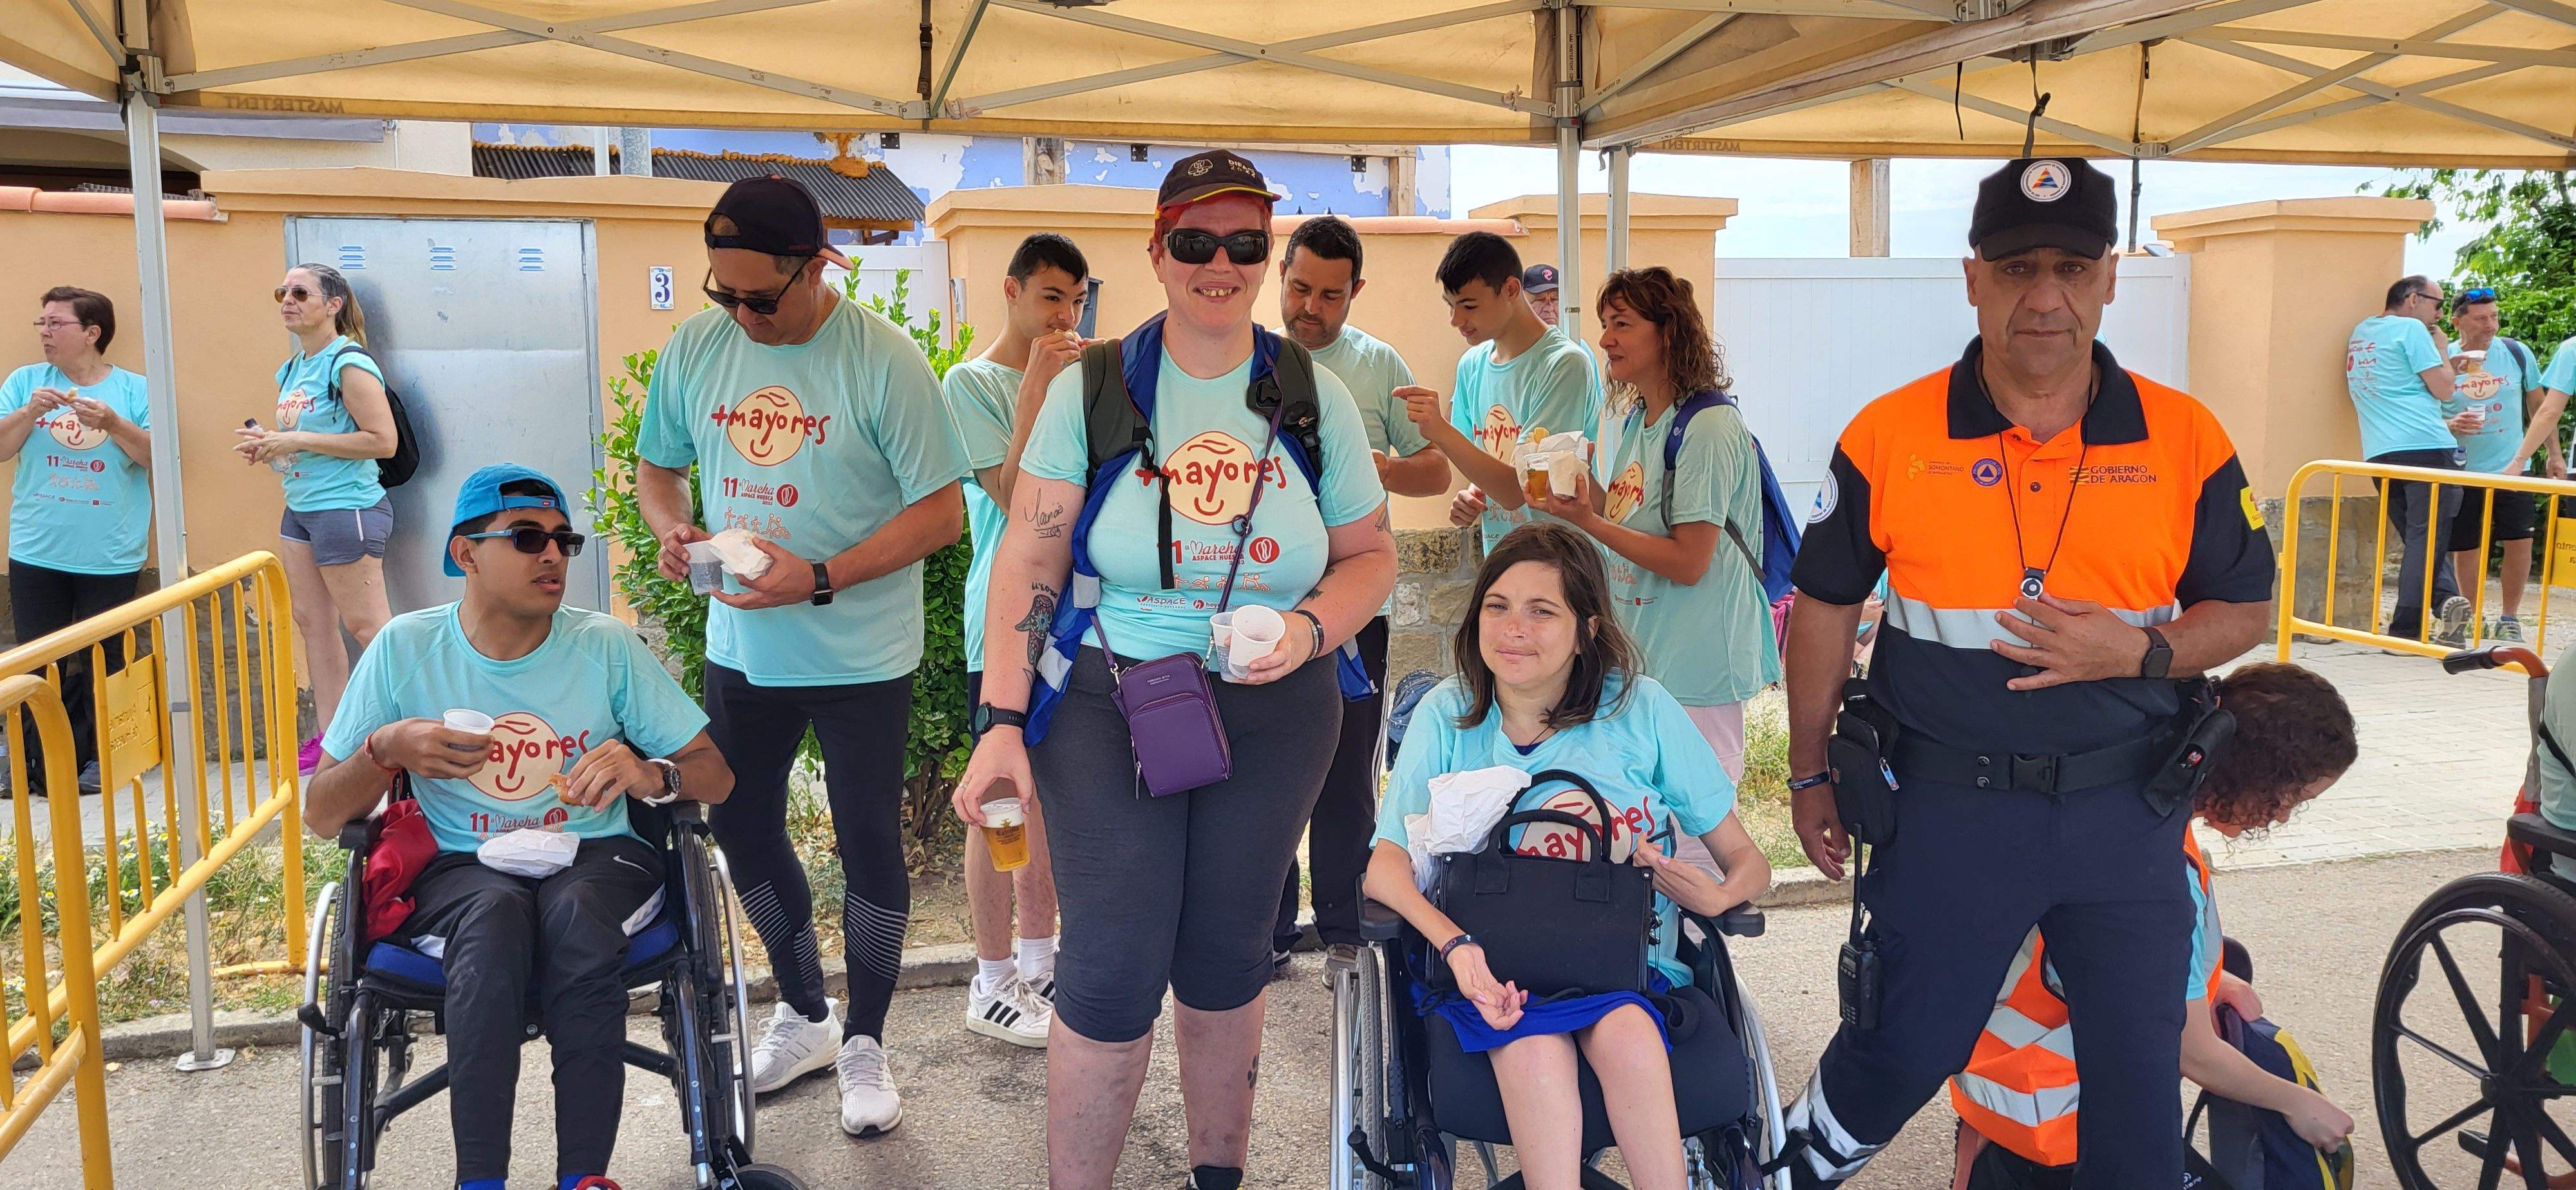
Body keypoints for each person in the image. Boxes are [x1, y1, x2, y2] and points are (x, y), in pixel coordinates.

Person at [1777, 156, 2276, 1187]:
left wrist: (2138, 650)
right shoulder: (1891, 433)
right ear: (1973, 279)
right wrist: (1810, 768)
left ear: (2109, 278)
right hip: (1949, 813)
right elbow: (1821, 606)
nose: (2044, 297)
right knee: (1900, 1049)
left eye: (2072, 267)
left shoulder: (2185, 437)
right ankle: (1775, 1172)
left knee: (2137, 1088)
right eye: (2015, 269)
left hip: (2125, 817)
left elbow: (2246, 608)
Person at [949, 149, 1396, 1190]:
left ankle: (1217, 1176)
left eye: (1244, 243)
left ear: (1266, 255)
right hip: (1111, 701)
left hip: (1277, 706)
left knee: (1230, 953)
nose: (1220, 263)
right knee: (1110, 966)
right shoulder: (1095, 386)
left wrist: (1309, 632)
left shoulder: (1313, 393)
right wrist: (1002, 722)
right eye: (1195, 241)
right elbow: (1030, 556)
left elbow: (1370, 556)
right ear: (1158, 252)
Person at [635, 175, 967, 1135]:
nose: (742, 316)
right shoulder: (699, 346)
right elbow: (658, 469)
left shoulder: (884, 359)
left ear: (819, 266)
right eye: (724, 294)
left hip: (862, 654)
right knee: (741, 829)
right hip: (742, 647)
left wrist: (820, 576)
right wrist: (672, 528)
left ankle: (866, 1040)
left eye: (761, 298)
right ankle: (807, 1013)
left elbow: (941, 515)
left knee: (868, 844)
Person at [302, 464, 734, 1190]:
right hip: (458, 863)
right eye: (528, 538)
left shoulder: (605, 646)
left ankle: (584, 1178)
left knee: (577, 916)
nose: (553, 555)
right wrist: (387, 748)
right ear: (466, 553)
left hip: (599, 853)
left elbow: (714, 774)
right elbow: (322, 814)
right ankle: (480, 1181)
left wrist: (649, 773)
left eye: (565, 540)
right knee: (494, 918)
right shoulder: (406, 648)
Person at [1360, 522, 1770, 1190]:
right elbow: (1385, 869)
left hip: (1623, 968)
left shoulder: (1639, 709)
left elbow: (1747, 859)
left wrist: (1720, 895)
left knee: (1628, 1034)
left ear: (1586, 629)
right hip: (1494, 970)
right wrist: (1456, 948)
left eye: (1541, 611)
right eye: (1497, 606)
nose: (1512, 629)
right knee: (1529, 1043)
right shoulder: (1449, 714)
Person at [1948, 662, 2359, 1187]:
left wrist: (2208, 982)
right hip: (2073, 1126)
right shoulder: (2164, 873)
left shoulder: (2116, 808)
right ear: (2255, 775)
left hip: (2003, 1094)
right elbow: (2194, 1053)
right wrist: (2298, 1103)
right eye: (2291, 800)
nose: (2281, 817)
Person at [1270, 214, 1451, 970]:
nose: (1310, 308)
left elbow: (1435, 471)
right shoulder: (1246, 358)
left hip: (1354, 611)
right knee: (1265, 773)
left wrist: (1378, 468)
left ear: (1357, 292)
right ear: (1280, 275)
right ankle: (1267, 933)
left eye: (1330, 296)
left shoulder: (1378, 366)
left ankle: (1346, 931)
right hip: (1262, 607)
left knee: (1347, 775)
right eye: (1300, 289)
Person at [1535, 267, 1777, 793]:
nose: (1605, 339)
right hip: (1646, 658)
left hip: (1697, 668)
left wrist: (1589, 521)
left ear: (1668, 332)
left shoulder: (1708, 427)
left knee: (1697, 823)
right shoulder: (1641, 418)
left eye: (1621, 324)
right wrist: (1581, 491)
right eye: (1605, 323)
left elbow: (1689, 562)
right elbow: (1627, 517)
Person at [941, 231, 1087, 1046]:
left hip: (1072, 618)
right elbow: (1008, 493)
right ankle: (991, 977)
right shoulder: (970, 383)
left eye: (1076, 300)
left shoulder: (1079, 376)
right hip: (999, 625)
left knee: (1053, 801)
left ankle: (1040, 961)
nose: (1065, 315)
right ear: (1011, 291)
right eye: (1050, 297)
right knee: (997, 802)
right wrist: (1036, 386)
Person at [237, 263, 399, 776]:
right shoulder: (292, 368)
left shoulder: (348, 362)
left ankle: (411, 729)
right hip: (302, 507)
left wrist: (297, 439)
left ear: (333, 304)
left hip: (346, 507)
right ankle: (334, 739)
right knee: (314, 624)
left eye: (300, 293)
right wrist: (272, 446)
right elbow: (304, 444)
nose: (288, 300)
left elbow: (383, 441)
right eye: (282, 291)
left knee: (369, 627)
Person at [1, 287, 151, 796]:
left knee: (103, 661)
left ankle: (103, 759)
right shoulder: (25, 382)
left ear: (91, 333)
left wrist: (112, 423)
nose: (44, 333)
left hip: (109, 552)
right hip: (37, 548)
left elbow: (159, 457)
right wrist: (27, 414)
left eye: (56, 323)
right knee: (34, 660)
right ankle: (30, 762)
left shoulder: (134, 389)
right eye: (41, 323)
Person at [1403, 232, 1600, 556]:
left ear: (1511, 289)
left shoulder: (1565, 365)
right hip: (1502, 557)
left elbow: (1517, 490)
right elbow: (1488, 463)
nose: (1456, 320)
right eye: (1451, 306)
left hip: (1561, 559)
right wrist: (1473, 496)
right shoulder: (1471, 365)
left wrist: (1439, 429)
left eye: (1469, 306)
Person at [2345, 274, 2473, 645]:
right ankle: (2405, 629)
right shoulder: (2413, 330)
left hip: (2381, 451)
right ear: (2414, 300)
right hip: (2428, 447)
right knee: (2426, 539)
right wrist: (2443, 350)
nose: (2440, 315)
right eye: (2438, 305)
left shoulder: (2362, 332)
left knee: (2421, 541)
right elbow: (2445, 390)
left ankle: (2446, 601)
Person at [2440, 287, 2548, 642]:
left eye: (2494, 317)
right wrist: (2449, 424)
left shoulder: (2516, 352)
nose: (2490, 325)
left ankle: (2510, 618)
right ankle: (2470, 617)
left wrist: (2554, 453)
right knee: (2467, 545)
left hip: (2513, 466)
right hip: (2463, 467)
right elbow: (2422, 410)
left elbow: (2540, 406)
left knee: (2519, 540)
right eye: (2481, 318)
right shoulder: (2443, 360)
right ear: (2457, 322)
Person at [1522, 263, 1563, 329]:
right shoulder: (1511, 335)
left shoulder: (1571, 335)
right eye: (1540, 299)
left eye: (1554, 299)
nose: (1550, 309)